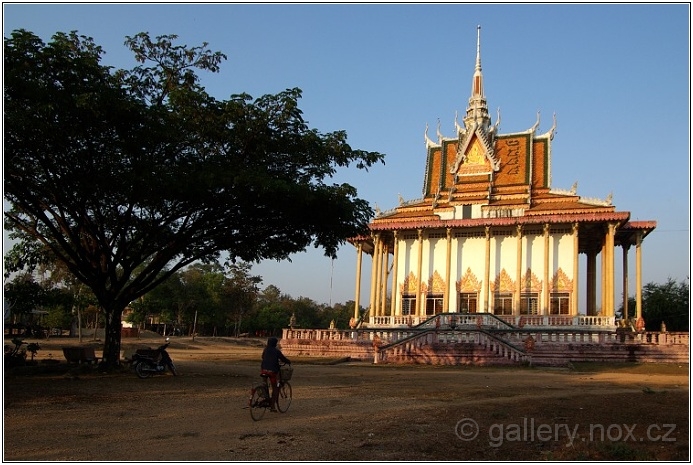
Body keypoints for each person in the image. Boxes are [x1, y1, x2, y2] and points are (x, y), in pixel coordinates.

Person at [260, 337, 291, 412]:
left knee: (265, 384)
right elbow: (283, 359)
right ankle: (272, 406)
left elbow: (263, 357)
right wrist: (288, 361)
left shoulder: (265, 350)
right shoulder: (276, 351)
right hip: (272, 372)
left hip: (263, 370)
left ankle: (265, 397)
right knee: (275, 388)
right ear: (275, 343)